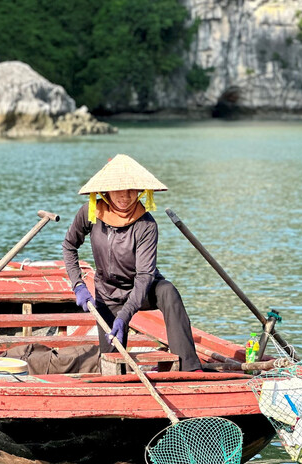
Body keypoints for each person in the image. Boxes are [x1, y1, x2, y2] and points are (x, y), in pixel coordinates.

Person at [62, 154, 203, 372]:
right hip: (108, 293)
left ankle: (189, 367)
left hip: (143, 289)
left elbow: (145, 276)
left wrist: (125, 316)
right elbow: (69, 246)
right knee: (111, 363)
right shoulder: (90, 212)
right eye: (119, 189)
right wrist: (78, 285)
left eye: (131, 189)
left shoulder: (146, 224)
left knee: (168, 291)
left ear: (140, 191)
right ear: (106, 190)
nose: (125, 196)